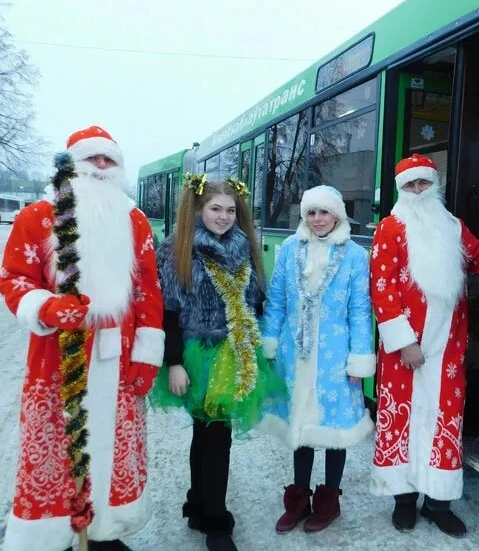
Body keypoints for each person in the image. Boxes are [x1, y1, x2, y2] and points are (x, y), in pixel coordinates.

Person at [0, 126, 165, 551]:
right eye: (94, 158)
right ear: (72, 164)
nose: (102, 167)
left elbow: (147, 289)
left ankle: (104, 531)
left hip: (119, 356)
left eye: (110, 160)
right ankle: (54, 535)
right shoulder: (38, 216)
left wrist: (147, 354)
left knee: (113, 445)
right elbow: (14, 277)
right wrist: (45, 307)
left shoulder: (134, 220)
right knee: (57, 446)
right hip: (58, 357)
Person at [149, 175, 283, 551]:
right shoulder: (177, 249)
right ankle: (215, 522)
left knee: (214, 435)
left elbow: (255, 300)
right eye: (215, 209)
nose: (223, 217)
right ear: (198, 209)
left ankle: (201, 506)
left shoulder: (245, 246)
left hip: (236, 351)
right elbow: (167, 312)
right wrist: (174, 362)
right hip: (198, 354)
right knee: (210, 436)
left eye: (230, 210)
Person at [369, 154, 479, 538]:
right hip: (403, 350)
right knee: (403, 420)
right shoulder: (390, 229)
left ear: (434, 184)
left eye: (423, 182)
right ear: (401, 189)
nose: (417, 189)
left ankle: (439, 503)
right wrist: (405, 342)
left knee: (444, 420)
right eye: (410, 184)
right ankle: (404, 500)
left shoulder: (453, 226)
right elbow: (382, 289)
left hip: (447, 348)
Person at [262, 185, 374, 534]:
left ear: (337, 215)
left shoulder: (354, 255)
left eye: (324, 212)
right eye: (311, 212)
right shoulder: (289, 249)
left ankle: (328, 501)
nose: (317, 219)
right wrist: (269, 344)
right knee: (301, 427)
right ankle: (298, 500)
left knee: (334, 428)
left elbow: (360, 310)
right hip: (294, 353)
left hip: (335, 356)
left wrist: (359, 359)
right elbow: (276, 301)